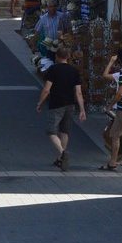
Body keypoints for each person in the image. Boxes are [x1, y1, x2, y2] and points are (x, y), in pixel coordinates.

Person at [36, 42, 86, 171]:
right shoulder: (74, 71)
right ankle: (60, 159)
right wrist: (82, 109)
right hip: (70, 104)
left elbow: (47, 89)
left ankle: (63, 153)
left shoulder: (53, 69)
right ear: (68, 57)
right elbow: (78, 92)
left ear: (57, 57)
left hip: (56, 104)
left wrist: (40, 103)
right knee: (64, 131)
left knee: (51, 131)